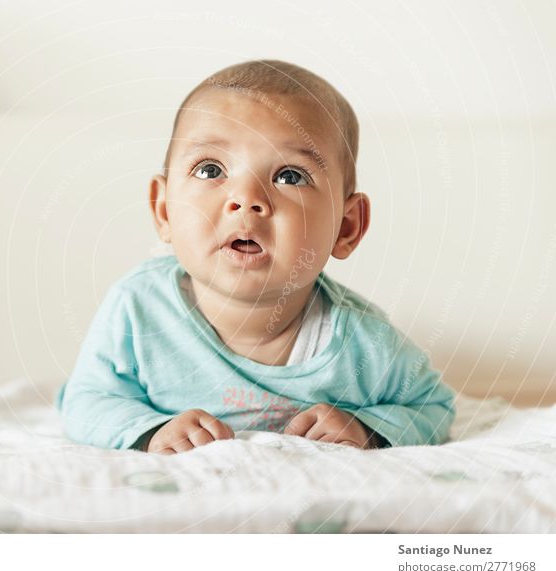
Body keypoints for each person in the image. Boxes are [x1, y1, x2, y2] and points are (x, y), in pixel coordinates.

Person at [56, 59, 456, 454]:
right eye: (211, 170)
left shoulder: (364, 343)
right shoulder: (138, 308)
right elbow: (86, 400)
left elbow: (434, 407)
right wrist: (152, 431)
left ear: (346, 227)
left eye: (290, 176)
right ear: (164, 211)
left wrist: (368, 429)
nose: (246, 200)